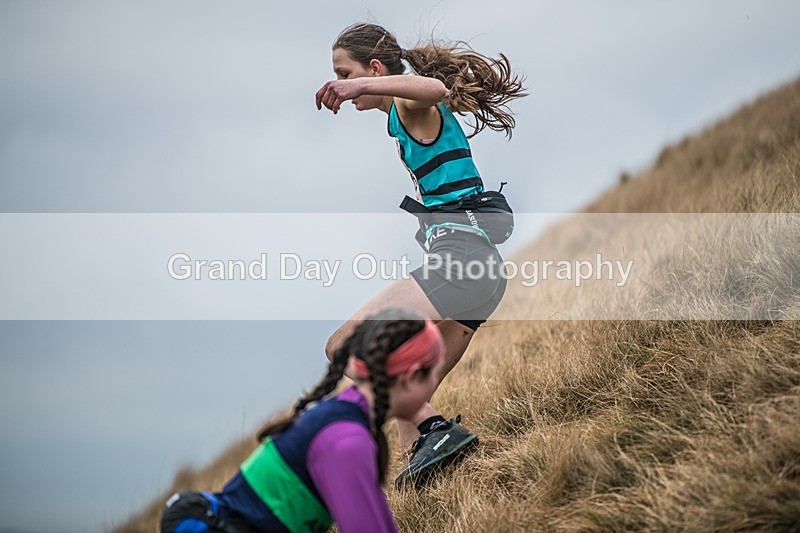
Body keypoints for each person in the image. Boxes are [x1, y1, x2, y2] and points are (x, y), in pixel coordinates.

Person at [316, 22, 526, 487]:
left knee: (341, 346)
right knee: (406, 387)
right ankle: (428, 464)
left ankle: (434, 430)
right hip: (483, 273)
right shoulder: (397, 116)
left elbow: (434, 88)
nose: (340, 85)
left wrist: (358, 87)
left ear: (373, 68)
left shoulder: (410, 104)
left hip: (462, 261)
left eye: (343, 73)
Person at [160, 308, 444, 533]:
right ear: (411, 377)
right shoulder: (346, 441)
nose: (435, 380)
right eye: (433, 372)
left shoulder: (347, 417)